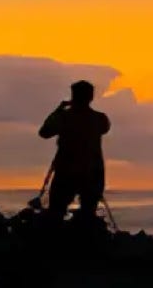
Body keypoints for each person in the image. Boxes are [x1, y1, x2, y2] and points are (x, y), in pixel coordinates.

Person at [38, 81, 112, 224]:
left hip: (67, 171)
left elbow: (45, 132)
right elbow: (105, 128)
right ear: (91, 97)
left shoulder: (64, 117)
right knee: (88, 214)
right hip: (92, 172)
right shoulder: (100, 119)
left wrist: (59, 110)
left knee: (56, 213)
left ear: (73, 96)